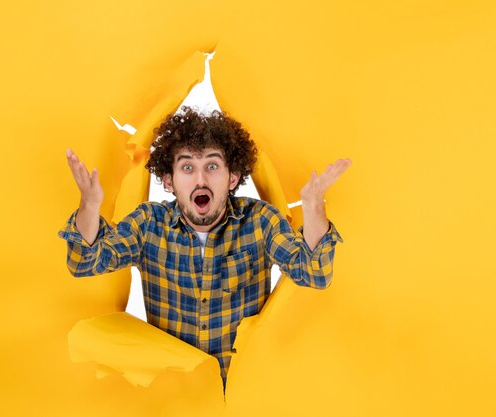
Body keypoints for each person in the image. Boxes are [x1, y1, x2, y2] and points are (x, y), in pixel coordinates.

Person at [59, 107, 351, 388]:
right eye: (187, 167)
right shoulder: (148, 223)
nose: (200, 179)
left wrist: (313, 208)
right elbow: (85, 261)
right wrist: (89, 205)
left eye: (212, 166)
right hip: (175, 398)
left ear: (232, 178)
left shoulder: (260, 221)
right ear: (169, 181)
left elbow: (314, 273)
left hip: (244, 394)